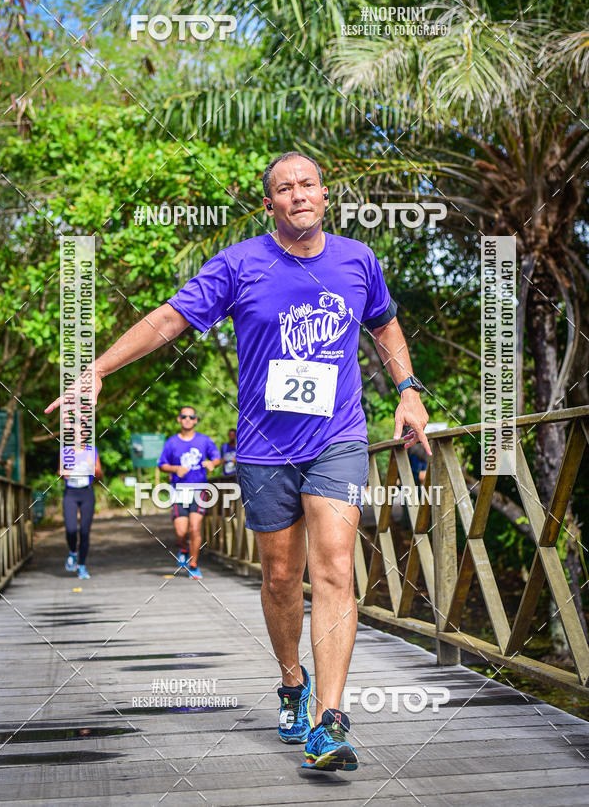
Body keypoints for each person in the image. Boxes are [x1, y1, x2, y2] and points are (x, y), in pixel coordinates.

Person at [46, 151, 430, 772]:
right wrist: (97, 369)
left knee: (334, 570)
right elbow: (169, 318)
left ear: (324, 195)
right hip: (264, 448)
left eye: (307, 184)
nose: (298, 194)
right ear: (270, 204)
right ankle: (289, 681)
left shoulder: (358, 260)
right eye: (284, 188)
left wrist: (408, 390)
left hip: (339, 437)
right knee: (281, 579)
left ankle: (329, 721)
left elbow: (385, 327)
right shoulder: (239, 264)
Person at [158, 407, 221, 578]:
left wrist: (212, 464)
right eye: (183, 416)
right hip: (179, 490)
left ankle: (193, 564)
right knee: (181, 532)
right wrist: (175, 468)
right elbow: (162, 464)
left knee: (195, 528)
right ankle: (184, 547)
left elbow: (216, 457)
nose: (187, 419)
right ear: (179, 419)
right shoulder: (171, 442)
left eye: (191, 416)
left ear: (195, 420)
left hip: (199, 489)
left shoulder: (204, 440)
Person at [59, 441, 103, 580]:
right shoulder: (65, 451)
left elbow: (100, 475)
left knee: (85, 531)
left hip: (86, 493)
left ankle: (82, 566)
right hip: (70, 493)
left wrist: (94, 469)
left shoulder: (92, 451)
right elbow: (60, 472)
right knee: (70, 529)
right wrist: (64, 473)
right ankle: (72, 551)